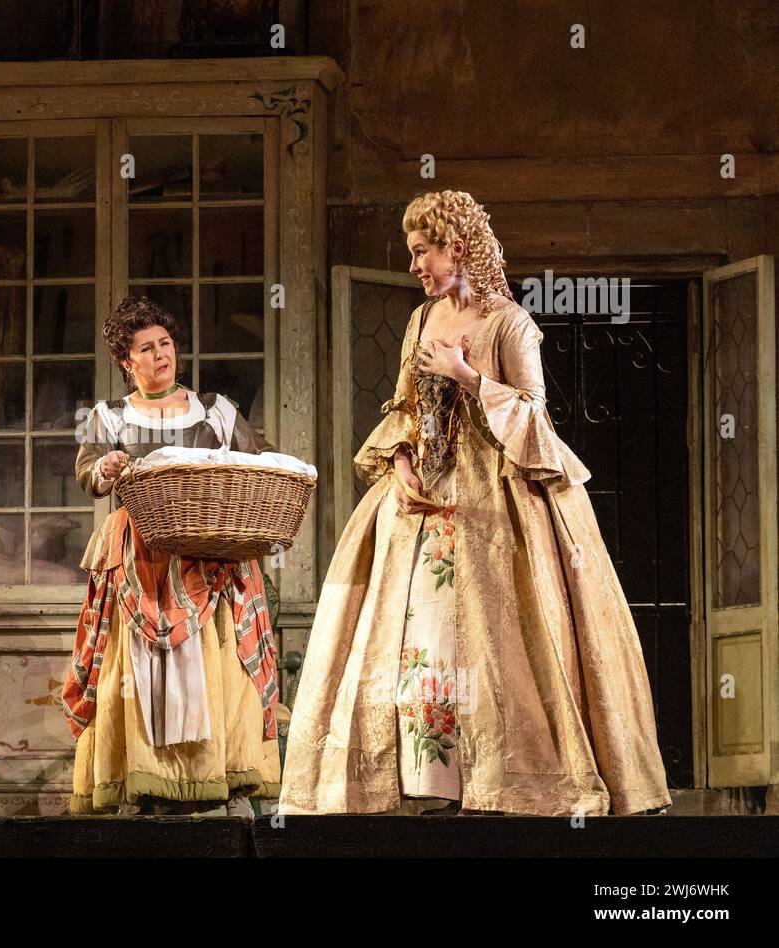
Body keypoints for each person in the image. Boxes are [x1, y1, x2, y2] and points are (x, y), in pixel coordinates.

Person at [281, 191, 672, 817]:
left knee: (495, 637)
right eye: (412, 253)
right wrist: (401, 459)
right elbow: (405, 408)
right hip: (421, 503)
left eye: (421, 252)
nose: (414, 265)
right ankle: (424, 781)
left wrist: (468, 377)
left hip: (497, 498)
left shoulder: (509, 324)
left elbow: (536, 417)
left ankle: (501, 781)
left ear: (455, 248)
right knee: (418, 634)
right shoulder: (419, 321)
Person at [61, 296, 282, 817]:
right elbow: (88, 474)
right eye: (146, 348)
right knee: (140, 670)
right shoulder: (108, 417)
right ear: (125, 361)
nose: (160, 355)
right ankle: (146, 781)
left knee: (216, 662)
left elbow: (259, 466)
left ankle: (222, 778)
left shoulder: (217, 410)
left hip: (210, 552)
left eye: (165, 344)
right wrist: (108, 465)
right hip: (142, 555)